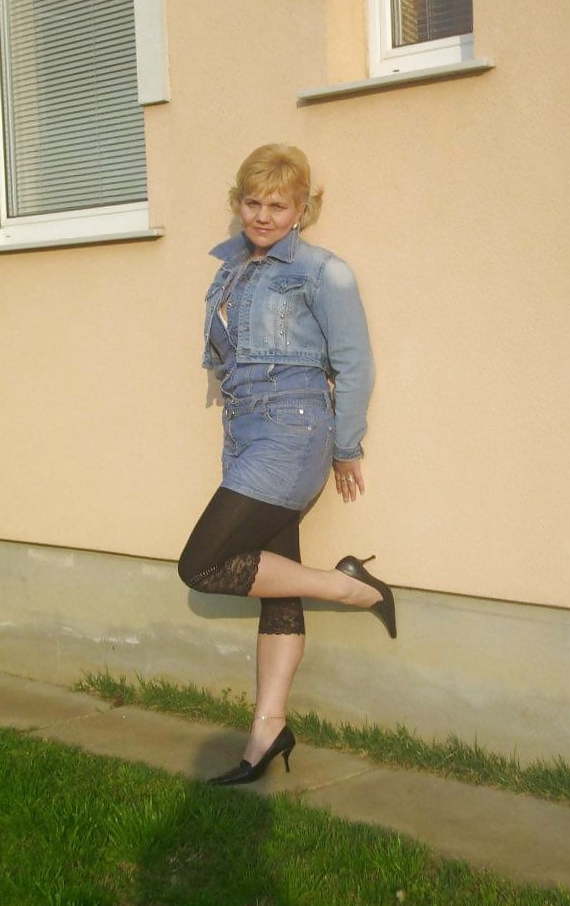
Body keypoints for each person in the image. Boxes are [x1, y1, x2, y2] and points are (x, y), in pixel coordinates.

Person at [177, 144, 396, 785]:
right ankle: (267, 731)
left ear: (302, 209)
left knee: (202, 565)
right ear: (238, 203)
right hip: (246, 434)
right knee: (276, 595)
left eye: (278, 205)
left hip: (293, 433)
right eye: (253, 202)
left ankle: (353, 586)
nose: (263, 216)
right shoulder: (232, 269)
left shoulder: (323, 272)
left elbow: (355, 365)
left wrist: (347, 447)